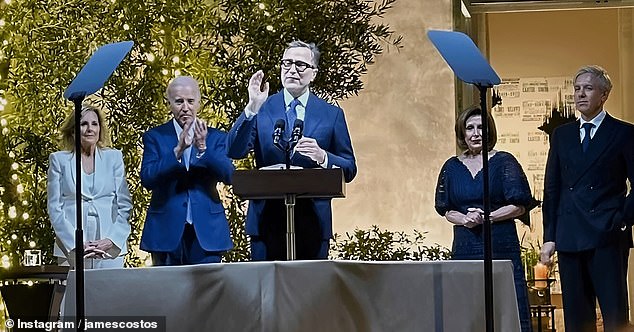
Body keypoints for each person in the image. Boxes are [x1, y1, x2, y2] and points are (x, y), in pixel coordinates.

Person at [227, 40, 357, 260]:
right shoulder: (263, 106)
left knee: (309, 292)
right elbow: (234, 150)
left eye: (300, 64)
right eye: (286, 64)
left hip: (313, 221)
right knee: (267, 291)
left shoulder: (331, 114)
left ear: (313, 73)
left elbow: (350, 168)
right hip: (266, 220)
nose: (292, 70)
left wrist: (323, 156)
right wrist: (251, 108)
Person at [540, 65, 634, 331]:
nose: (580, 94)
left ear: (604, 95)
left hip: (607, 234)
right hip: (569, 235)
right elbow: (552, 188)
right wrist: (550, 236)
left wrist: (622, 219)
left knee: (614, 314)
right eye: (577, 88)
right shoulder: (562, 134)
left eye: (588, 88)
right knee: (577, 318)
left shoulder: (624, 133)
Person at [435, 106, 535, 332]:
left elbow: (520, 206)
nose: (475, 133)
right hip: (464, 248)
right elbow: (445, 208)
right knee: (466, 310)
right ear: (462, 133)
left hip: (500, 245)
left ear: (489, 131)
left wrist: (488, 217)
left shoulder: (504, 162)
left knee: (505, 307)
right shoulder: (451, 167)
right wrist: (465, 218)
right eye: (469, 128)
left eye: (480, 127)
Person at [140, 76, 235, 266]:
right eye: (179, 101)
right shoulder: (155, 136)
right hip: (165, 232)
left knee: (207, 294)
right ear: (169, 104)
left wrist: (203, 149)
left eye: (190, 101)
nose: (185, 107)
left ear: (198, 102)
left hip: (206, 233)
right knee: (168, 294)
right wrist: (177, 151)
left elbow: (230, 175)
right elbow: (147, 178)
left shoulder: (215, 137)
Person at [47, 104, 132, 269]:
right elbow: (54, 208)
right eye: (83, 124)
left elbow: (125, 206)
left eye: (94, 124)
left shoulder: (114, 158)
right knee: (73, 294)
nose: (89, 129)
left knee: (109, 294)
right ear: (73, 130)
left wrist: (112, 240)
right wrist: (75, 243)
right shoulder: (59, 161)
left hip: (108, 248)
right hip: (71, 248)